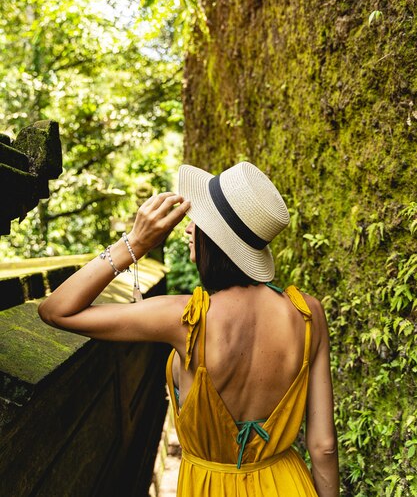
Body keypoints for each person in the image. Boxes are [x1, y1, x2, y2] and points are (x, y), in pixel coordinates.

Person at [38, 161, 339, 497]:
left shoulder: (184, 317)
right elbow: (324, 446)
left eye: (198, 222)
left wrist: (134, 244)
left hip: (210, 487)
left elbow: (56, 311)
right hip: (287, 484)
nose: (187, 229)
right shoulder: (308, 313)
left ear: (214, 237)